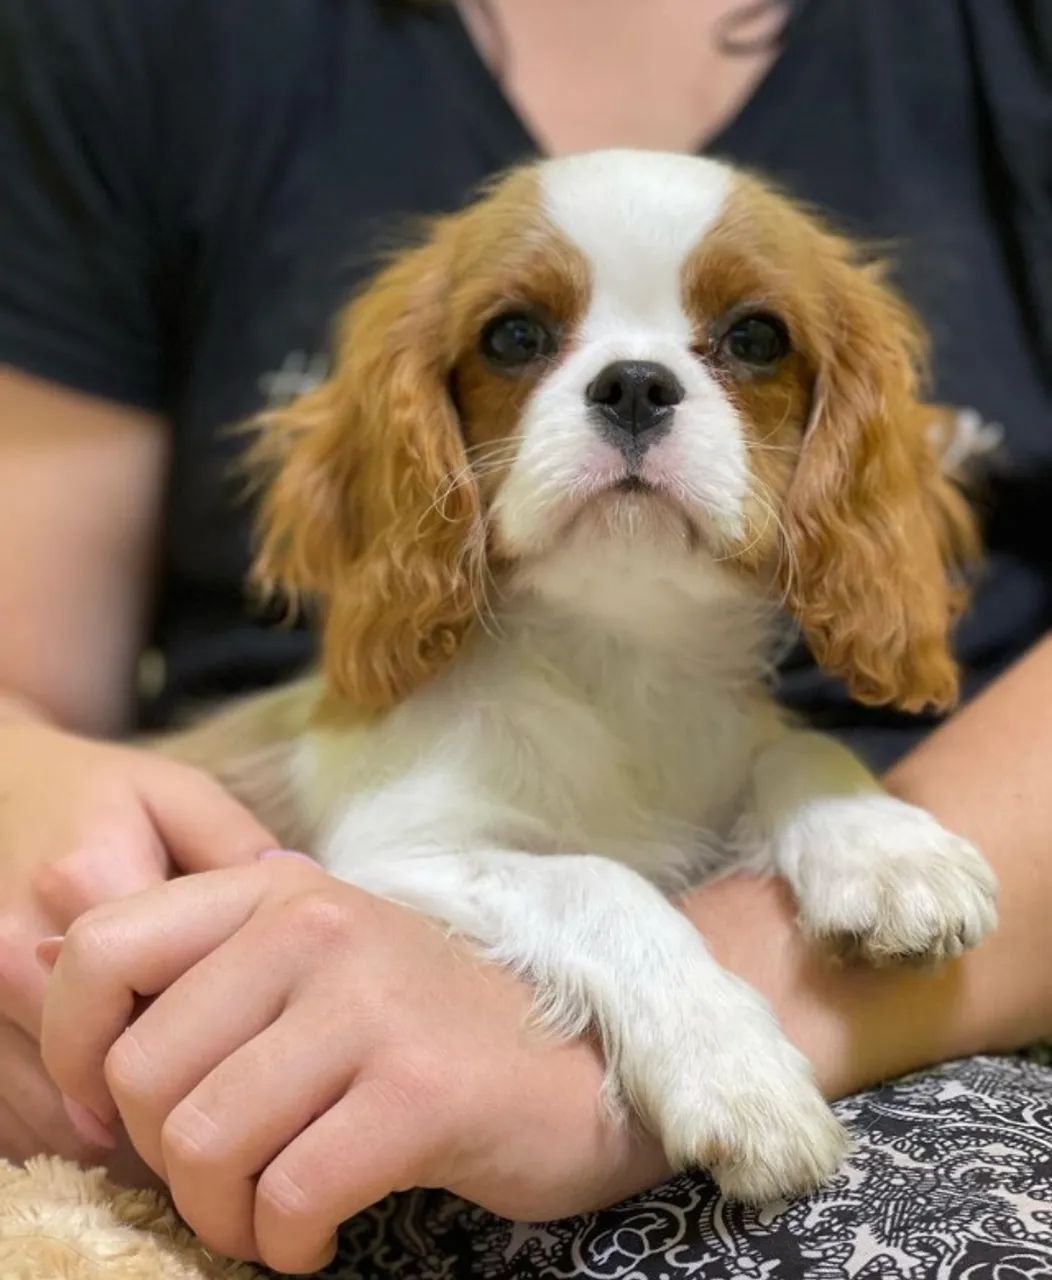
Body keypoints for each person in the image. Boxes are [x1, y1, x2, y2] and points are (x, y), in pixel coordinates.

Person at [1, 0, 1051, 1275]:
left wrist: (826, 798)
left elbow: (744, 765)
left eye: (746, 342)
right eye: (519, 339)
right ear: (430, 413)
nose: (634, 387)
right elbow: (389, 869)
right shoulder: (134, 45)